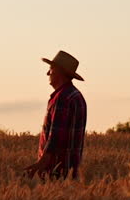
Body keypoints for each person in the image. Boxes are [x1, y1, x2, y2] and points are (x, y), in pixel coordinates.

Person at [23, 50, 87, 180]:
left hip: (56, 170)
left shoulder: (62, 97)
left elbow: (56, 136)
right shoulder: (75, 95)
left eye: (51, 68)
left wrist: (41, 164)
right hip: (70, 169)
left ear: (59, 71)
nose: (48, 73)